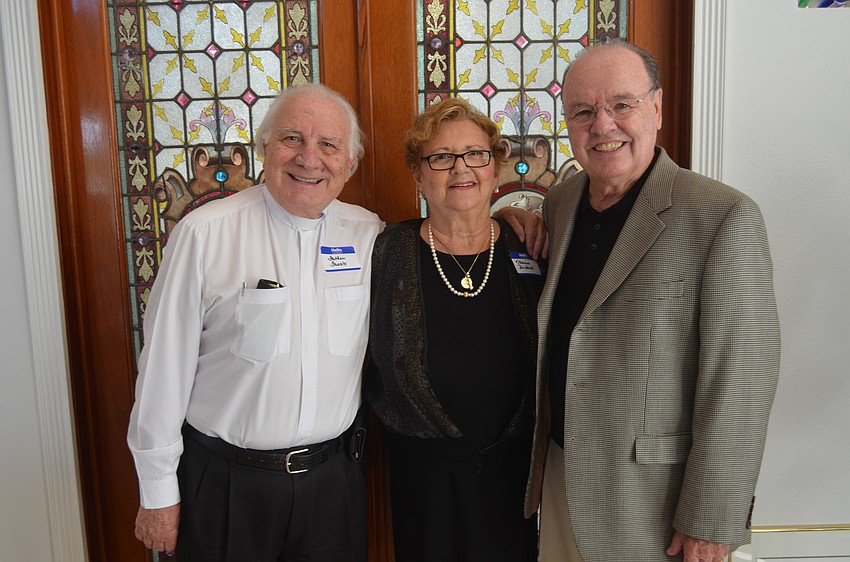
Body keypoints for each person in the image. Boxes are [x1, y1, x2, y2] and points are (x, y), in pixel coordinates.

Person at [525, 40, 781, 562]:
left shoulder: (722, 217)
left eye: (622, 104)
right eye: (583, 110)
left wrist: (712, 518)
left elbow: (742, 381)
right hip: (559, 479)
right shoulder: (560, 203)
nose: (603, 125)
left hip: (656, 506)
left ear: (657, 108)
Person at [127, 83, 382, 562]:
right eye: (292, 138)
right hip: (227, 486)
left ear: (350, 163)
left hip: (333, 485)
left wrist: (512, 218)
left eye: (329, 145)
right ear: (264, 147)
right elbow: (163, 368)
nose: (310, 158)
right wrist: (158, 491)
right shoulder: (204, 233)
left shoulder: (369, 234)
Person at [365, 98, 544, 562]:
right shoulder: (386, 251)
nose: (460, 168)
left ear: (496, 167)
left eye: (475, 154)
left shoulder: (531, 246)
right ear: (418, 175)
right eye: (441, 157)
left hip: (516, 482)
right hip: (425, 487)